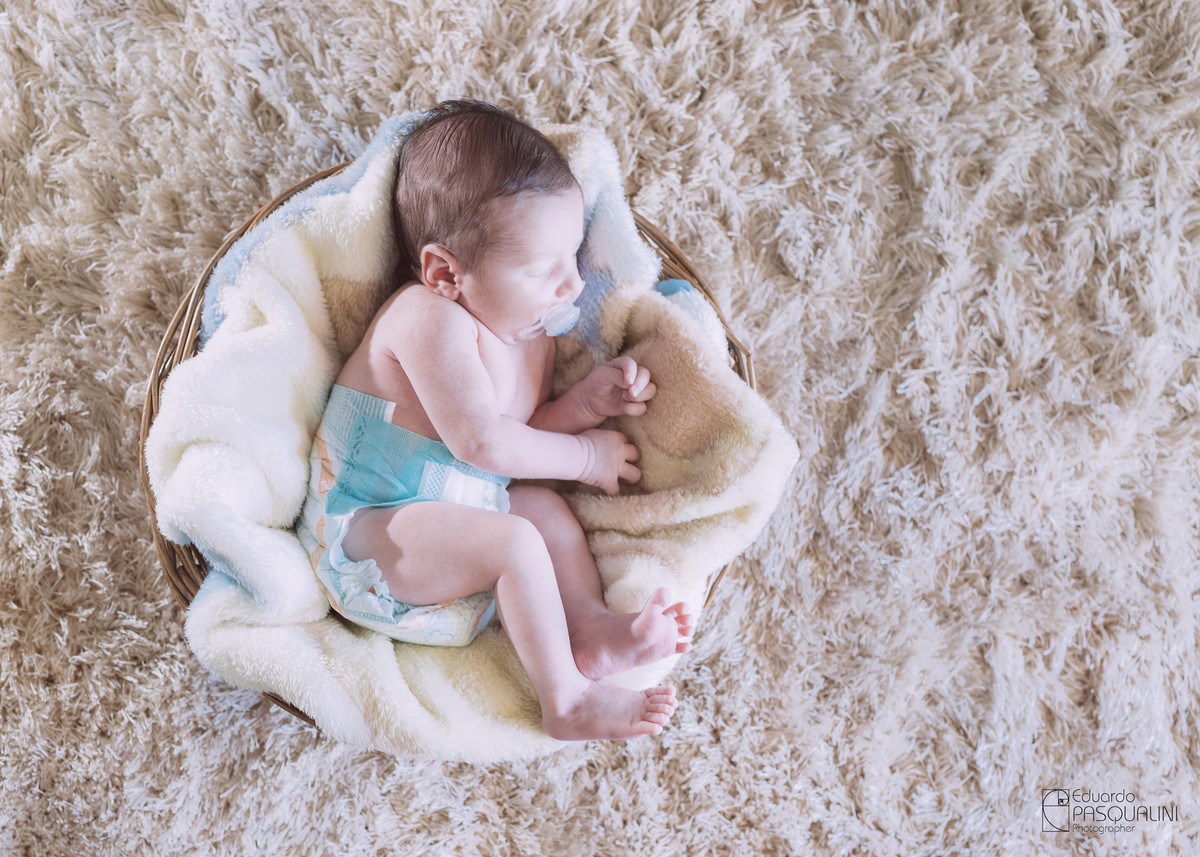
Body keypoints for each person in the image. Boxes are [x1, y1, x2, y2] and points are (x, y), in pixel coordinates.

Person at [296, 101, 693, 741]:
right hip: (368, 542)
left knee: (538, 511)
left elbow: (521, 433)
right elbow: (483, 442)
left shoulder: (526, 336)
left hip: (455, 544)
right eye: (543, 269)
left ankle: (587, 631)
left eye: (570, 256)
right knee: (516, 539)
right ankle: (564, 701)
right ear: (445, 272)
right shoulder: (427, 318)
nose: (570, 286)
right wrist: (586, 458)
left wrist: (583, 406)